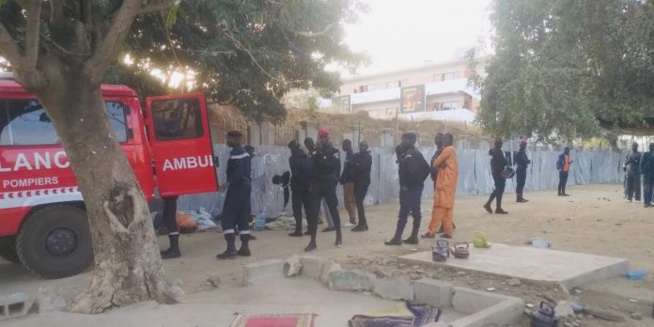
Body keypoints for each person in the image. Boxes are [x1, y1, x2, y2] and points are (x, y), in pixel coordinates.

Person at [385, 132, 430, 246]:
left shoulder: (410, 155)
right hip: (416, 188)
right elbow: (427, 169)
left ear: (410, 141)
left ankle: (397, 238)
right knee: (416, 212)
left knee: (403, 214)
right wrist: (419, 182)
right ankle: (414, 237)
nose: (402, 142)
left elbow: (413, 171)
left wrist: (408, 184)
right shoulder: (415, 153)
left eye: (404, 140)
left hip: (409, 189)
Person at [305, 129, 342, 252]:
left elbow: (334, 165)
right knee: (313, 212)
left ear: (328, 138)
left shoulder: (334, 151)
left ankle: (339, 235)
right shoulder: (315, 151)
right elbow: (311, 165)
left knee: (333, 210)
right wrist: (320, 156)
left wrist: (322, 159)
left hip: (329, 183)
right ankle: (313, 241)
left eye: (323, 138)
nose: (321, 140)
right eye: (319, 138)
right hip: (317, 184)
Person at [217, 131, 252, 259]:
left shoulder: (236, 152)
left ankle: (231, 249)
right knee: (243, 216)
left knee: (227, 217)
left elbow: (238, 172)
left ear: (236, 139)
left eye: (229, 138)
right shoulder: (245, 152)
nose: (227, 140)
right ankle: (245, 247)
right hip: (246, 186)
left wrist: (227, 184)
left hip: (237, 187)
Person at [424, 133, 458, 239]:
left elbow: (435, 162)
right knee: (448, 208)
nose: (444, 140)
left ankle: (431, 231)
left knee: (439, 207)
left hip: (444, 183)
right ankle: (448, 232)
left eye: (446, 139)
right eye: (443, 139)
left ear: (451, 140)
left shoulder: (447, 150)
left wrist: (438, 160)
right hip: (449, 183)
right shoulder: (452, 150)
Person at [288, 140, 313, 237]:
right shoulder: (307, 157)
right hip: (307, 186)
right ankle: (310, 228)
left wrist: (302, 181)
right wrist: (308, 182)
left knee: (297, 208)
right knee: (308, 207)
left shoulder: (292, 159)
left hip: (297, 186)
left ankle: (298, 229)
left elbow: (295, 173)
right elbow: (311, 171)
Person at [304, 137, 329, 228]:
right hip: (314, 178)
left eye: (308, 144)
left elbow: (315, 164)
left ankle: (320, 218)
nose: (307, 146)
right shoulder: (310, 152)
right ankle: (318, 217)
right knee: (315, 200)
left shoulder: (316, 151)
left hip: (317, 178)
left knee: (317, 200)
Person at [351, 141, 373, 232]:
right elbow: (351, 163)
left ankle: (362, 224)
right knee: (358, 202)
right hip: (357, 181)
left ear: (367, 147)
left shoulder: (368, 157)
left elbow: (361, 167)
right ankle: (363, 223)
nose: (361, 147)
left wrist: (356, 164)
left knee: (359, 202)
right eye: (360, 146)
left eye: (363, 146)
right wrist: (356, 164)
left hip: (363, 182)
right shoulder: (357, 156)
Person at [484, 138, 509, 214]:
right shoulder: (498, 151)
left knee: (499, 189)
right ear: (497, 144)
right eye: (500, 143)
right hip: (499, 172)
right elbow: (504, 162)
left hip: (496, 172)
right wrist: (506, 161)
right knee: (499, 189)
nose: (501, 145)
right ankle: (489, 204)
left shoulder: (493, 151)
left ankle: (497, 207)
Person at [340, 139, 357, 227]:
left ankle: (352, 219)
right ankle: (353, 218)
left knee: (348, 200)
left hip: (349, 180)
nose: (342, 146)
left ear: (347, 145)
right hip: (350, 180)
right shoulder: (349, 154)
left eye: (344, 144)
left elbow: (348, 166)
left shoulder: (350, 154)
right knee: (352, 200)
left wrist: (342, 176)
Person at [641, 143, 654, 207]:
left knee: (651, 188)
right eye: (650, 146)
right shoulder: (645, 154)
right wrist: (643, 171)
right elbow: (641, 163)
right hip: (646, 174)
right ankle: (646, 202)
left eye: (652, 146)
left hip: (652, 174)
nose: (651, 147)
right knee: (646, 188)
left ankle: (649, 202)